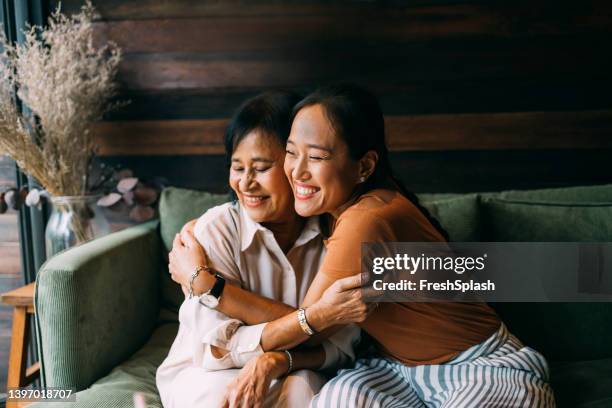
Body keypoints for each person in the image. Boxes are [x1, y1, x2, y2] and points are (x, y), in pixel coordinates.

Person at [175, 84, 556, 407]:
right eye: (291, 152)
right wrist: (210, 223)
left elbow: (310, 323)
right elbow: (315, 317)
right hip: (396, 368)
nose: (298, 171)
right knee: (337, 398)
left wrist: (209, 286)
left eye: (318, 156)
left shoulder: (366, 219)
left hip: (478, 365)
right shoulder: (329, 208)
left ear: (364, 166)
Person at [156, 91, 360, 408]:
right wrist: (315, 322)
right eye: (238, 168)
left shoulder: (337, 232)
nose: (246, 183)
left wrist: (278, 360)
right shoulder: (213, 232)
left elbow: (341, 345)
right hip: (206, 373)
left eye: (261, 168)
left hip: (298, 369)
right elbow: (219, 347)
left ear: (296, 166)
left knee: (304, 392)